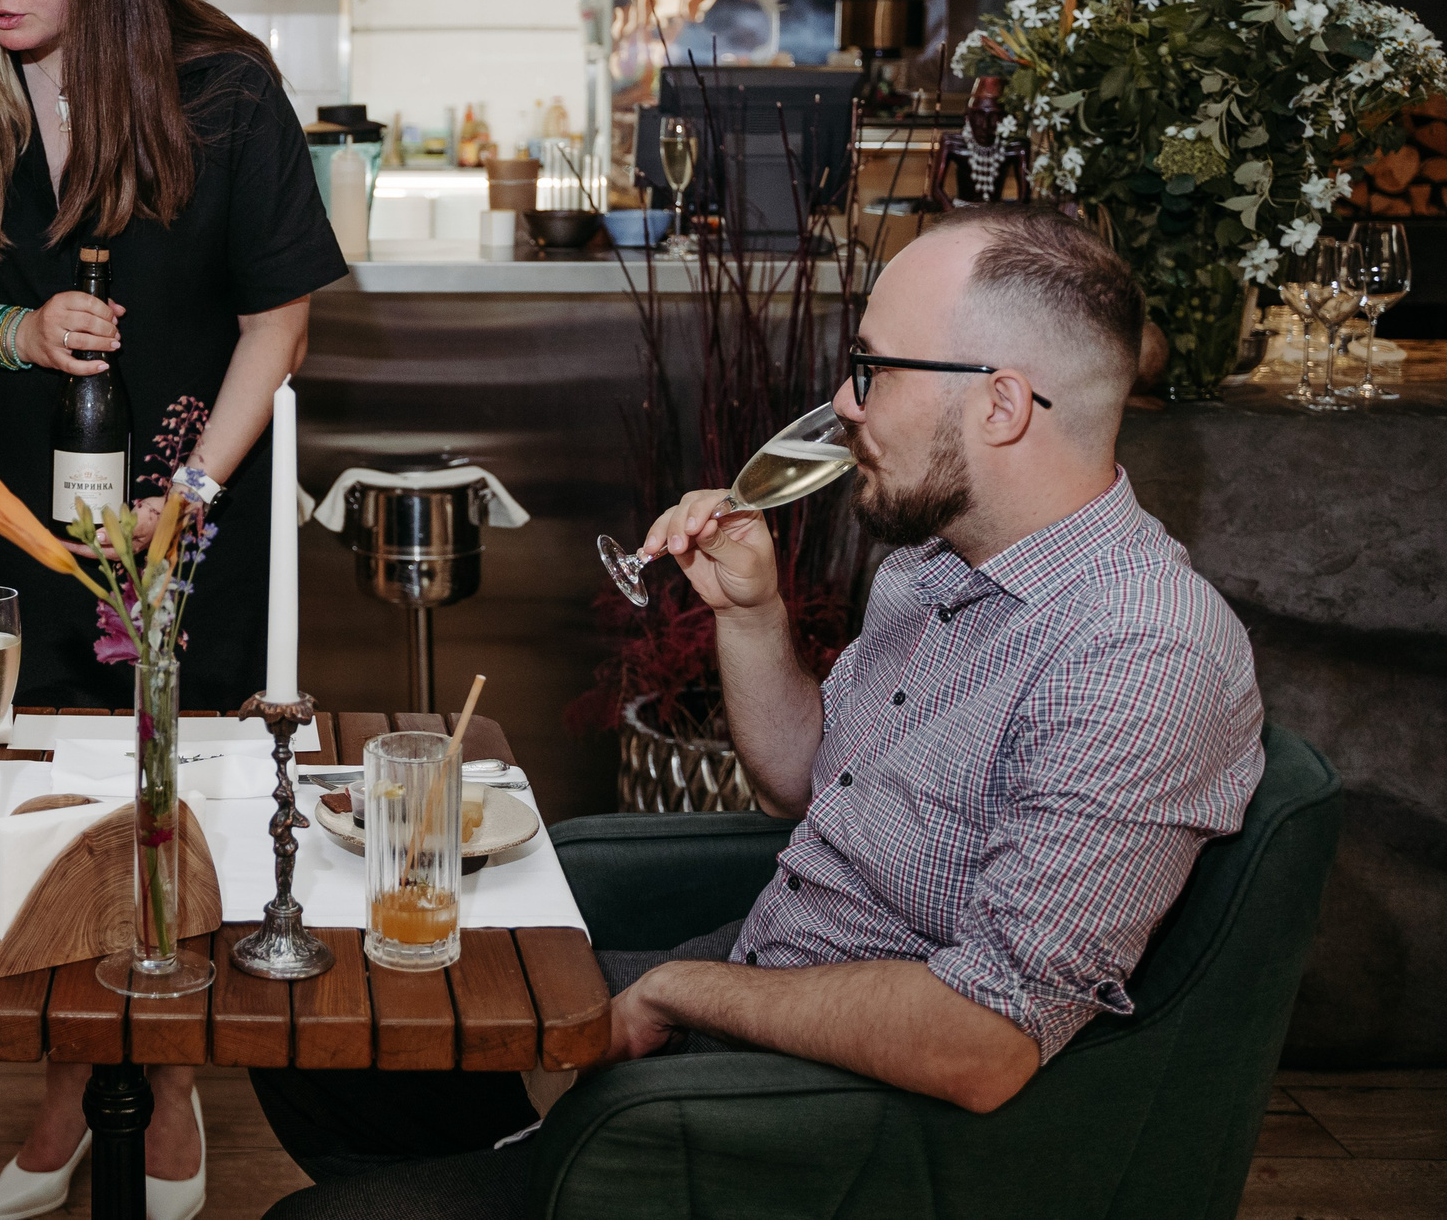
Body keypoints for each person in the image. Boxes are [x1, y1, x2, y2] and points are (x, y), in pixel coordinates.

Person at [256, 204, 1265, 1218]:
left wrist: (673, 993)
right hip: (752, 982)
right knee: (319, 1011)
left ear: (1000, 405)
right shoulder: (933, 565)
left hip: (821, 1124)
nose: (842, 401)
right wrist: (751, 615)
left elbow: (982, 1042)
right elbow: (803, 781)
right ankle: (524, 1162)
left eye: (873, 369)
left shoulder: (1138, 656)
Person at [0, 0, 346, 1220]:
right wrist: (10, 331)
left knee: (169, 804)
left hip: (187, 518)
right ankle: (69, 1076)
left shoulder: (224, 92)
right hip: (20, 522)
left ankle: (171, 1074)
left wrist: (193, 491)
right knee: (39, 794)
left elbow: (281, 323)